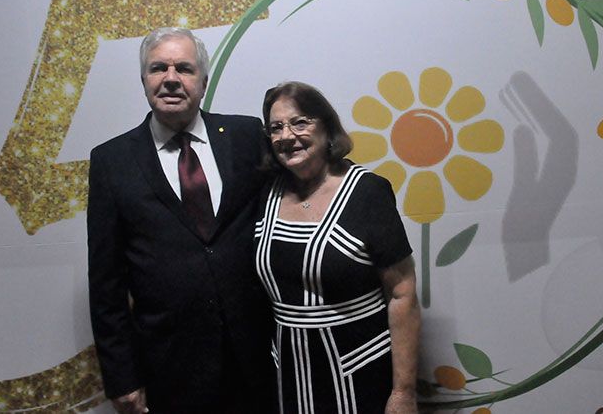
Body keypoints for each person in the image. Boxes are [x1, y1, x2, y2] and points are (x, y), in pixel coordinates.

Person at [87, 27, 274, 413]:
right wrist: (122, 376)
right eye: (159, 68)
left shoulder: (246, 136)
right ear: (144, 80)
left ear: (203, 82)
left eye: (184, 69)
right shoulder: (111, 161)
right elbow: (107, 283)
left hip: (260, 358)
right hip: (171, 368)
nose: (171, 78)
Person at [255, 81, 421, 414]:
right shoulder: (266, 193)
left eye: (300, 122)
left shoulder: (367, 193)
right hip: (288, 375)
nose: (287, 135)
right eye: (276, 128)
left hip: (359, 372)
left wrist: (403, 392)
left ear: (326, 127)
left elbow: (402, 294)